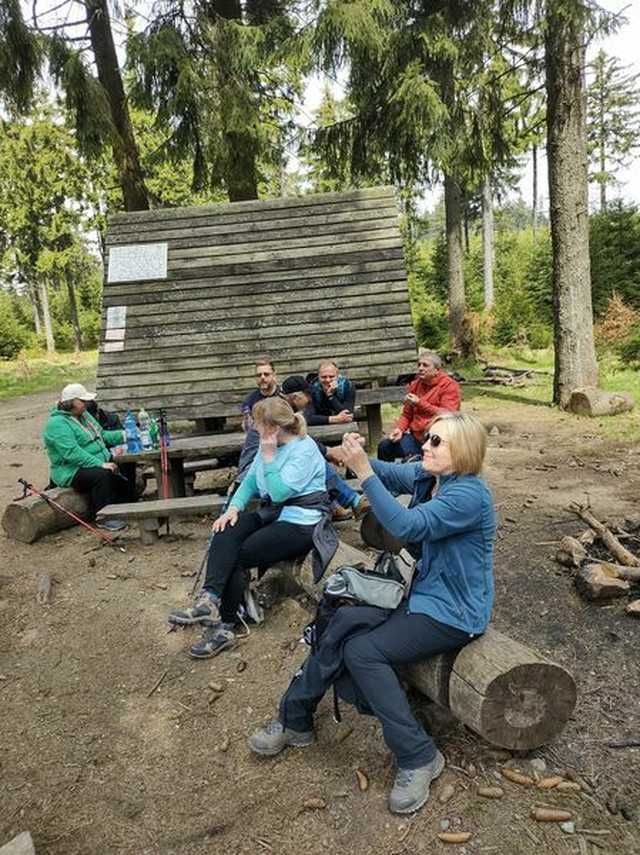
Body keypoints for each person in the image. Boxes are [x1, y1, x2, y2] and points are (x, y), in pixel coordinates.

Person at [249, 412, 495, 816]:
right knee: (340, 620)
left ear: (462, 452)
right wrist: (351, 454)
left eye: (437, 442)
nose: (426, 446)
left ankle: (419, 756)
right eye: (428, 438)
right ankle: (295, 718)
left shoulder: (469, 495)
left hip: (452, 611)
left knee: (362, 651)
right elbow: (387, 472)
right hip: (414, 591)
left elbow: (407, 525)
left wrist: (363, 472)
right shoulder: (430, 474)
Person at [168, 397, 334, 659]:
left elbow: (279, 493)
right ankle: (209, 599)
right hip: (272, 514)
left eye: (257, 424)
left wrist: (269, 458)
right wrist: (233, 509)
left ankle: (226, 626)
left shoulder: (304, 449)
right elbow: (250, 484)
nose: (253, 428)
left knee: (238, 554)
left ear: (273, 427)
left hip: (302, 521)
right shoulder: (267, 444)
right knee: (225, 530)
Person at [42, 383, 134, 532]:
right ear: (70, 402)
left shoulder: (84, 415)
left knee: (126, 462)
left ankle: (127, 503)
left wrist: (125, 435)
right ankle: (104, 517)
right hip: (71, 470)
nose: (86, 403)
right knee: (102, 475)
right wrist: (100, 463)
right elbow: (72, 453)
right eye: (82, 401)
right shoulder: (56, 424)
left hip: (95, 460)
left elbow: (102, 435)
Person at [280, 375, 368, 520]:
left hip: (280, 456)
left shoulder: (285, 407)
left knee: (314, 459)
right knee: (315, 461)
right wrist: (328, 451)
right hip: (270, 463)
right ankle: (351, 501)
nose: (309, 400)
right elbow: (301, 441)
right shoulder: (281, 412)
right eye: (307, 396)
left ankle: (339, 504)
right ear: (295, 397)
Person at [377, 351, 461, 461]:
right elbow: (407, 415)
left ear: (437, 370)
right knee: (385, 446)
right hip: (416, 438)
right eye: (419, 365)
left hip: (437, 439)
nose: (420, 368)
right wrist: (400, 429)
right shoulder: (415, 384)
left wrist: (420, 403)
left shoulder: (449, 386)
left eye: (425, 365)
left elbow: (448, 414)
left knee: (419, 465)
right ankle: (387, 477)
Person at [237, 358, 281, 481]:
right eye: (259, 375)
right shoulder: (250, 400)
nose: (262, 377)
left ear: (274, 375)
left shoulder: (283, 396)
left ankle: (242, 480)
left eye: (266, 374)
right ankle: (244, 477)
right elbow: (247, 425)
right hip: (258, 438)